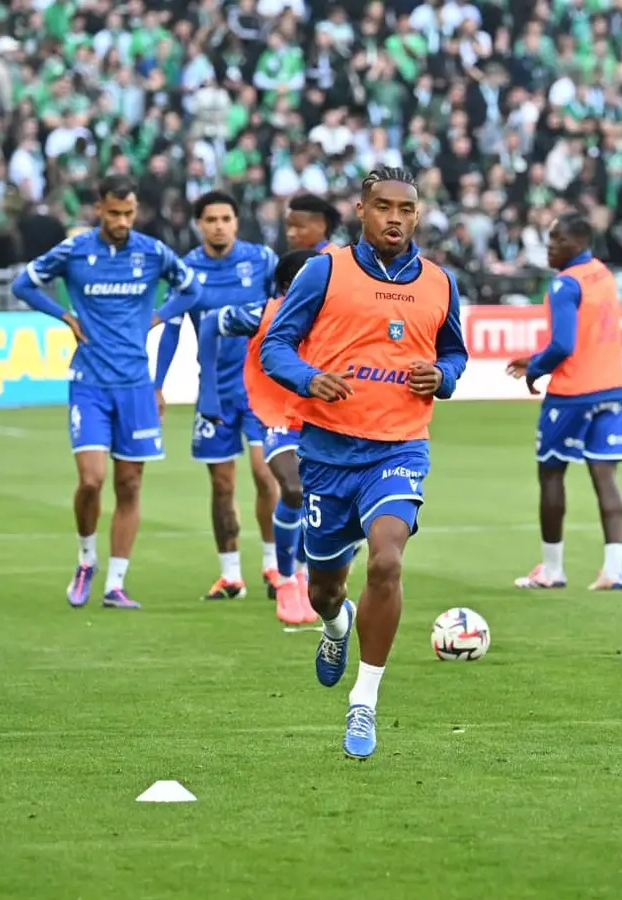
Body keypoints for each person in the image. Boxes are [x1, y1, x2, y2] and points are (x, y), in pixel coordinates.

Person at [261, 166, 468, 759]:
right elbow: (277, 344)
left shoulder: (439, 283)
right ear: (361, 210)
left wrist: (445, 376)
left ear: (418, 214)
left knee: (386, 561)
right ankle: (334, 625)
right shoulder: (325, 270)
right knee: (325, 589)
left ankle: (364, 703)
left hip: (400, 448)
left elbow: (454, 351)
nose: (395, 218)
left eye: (406, 208)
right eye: (383, 207)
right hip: (328, 454)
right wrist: (309, 378)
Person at [11, 174, 200, 610]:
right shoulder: (75, 251)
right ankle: (85, 559)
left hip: (135, 383)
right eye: (114, 213)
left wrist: (160, 315)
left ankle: (116, 583)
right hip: (90, 383)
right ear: (99, 209)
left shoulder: (152, 251)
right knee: (92, 480)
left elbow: (191, 289)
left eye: (129, 213)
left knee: (130, 484)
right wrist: (64, 315)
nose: (122, 221)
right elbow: (23, 284)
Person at [155, 191, 282, 602]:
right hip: (214, 391)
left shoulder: (261, 260)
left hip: (261, 390)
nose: (219, 225)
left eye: (226, 218)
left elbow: (284, 312)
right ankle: (230, 575)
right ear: (200, 224)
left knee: (268, 475)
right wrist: (157, 384)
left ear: (235, 222)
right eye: (211, 219)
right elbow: (172, 329)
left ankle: (274, 566)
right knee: (223, 485)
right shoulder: (186, 269)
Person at [506, 214, 622, 590]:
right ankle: (614, 570)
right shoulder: (601, 273)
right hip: (611, 388)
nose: (549, 246)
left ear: (576, 243)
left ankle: (552, 569)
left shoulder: (565, 285)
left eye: (556, 239)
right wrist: (538, 358)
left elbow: (564, 345)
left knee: (551, 473)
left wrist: (535, 370)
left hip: (573, 393)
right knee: (605, 476)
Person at [196, 249, 320, 624]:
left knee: (320, 502)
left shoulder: (336, 316)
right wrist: (208, 390)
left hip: (325, 419)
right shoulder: (263, 313)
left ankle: (301, 573)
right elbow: (212, 322)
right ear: (286, 286)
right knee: (293, 489)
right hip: (277, 415)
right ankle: (284, 578)